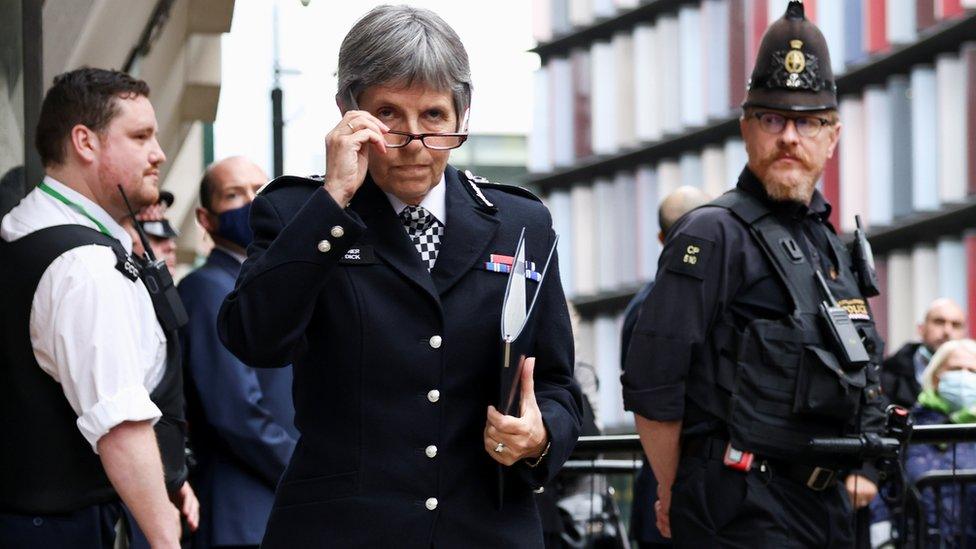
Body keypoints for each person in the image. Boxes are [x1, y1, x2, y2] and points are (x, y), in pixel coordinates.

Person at [217, 5, 582, 547]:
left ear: (463, 113)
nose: (413, 140)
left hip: (485, 528)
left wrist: (539, 433)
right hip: (343, 532)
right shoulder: (298, 212)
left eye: (434, 116)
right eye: (389, 114)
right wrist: (333, 201)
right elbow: (255, 338)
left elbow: (555, 383)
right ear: (347, 111)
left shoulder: (520, 223)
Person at [621, 2, 886, 547]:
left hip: (826, 512)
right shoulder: (711, 234)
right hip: (738, 510)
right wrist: (676, 491)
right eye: (773, 118)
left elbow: (866, 373)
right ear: (747, 129)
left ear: (831, 137)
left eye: (808, 121)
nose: (790, 136)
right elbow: (653, 382)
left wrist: (866, 472)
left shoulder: (830, 245)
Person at [0, 68, 196, 548]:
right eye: (141, 136)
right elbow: (119, 425)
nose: (159, 153)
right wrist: (164, 537)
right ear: (85, 142)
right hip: (63, 528)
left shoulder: (23, 227)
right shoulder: (83, 266)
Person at [178, 156, 297, 548]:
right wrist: (305, 471)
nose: (251, 203)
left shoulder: (267, 285)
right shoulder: (208, 289)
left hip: (273, 510)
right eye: (233, 195)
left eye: (259, 192)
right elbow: (236, 413)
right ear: (206, 218)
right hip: (240, 514)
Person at [620, 186, 710, 549]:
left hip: (659, 481)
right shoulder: (694, 301)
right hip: (680, 487)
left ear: (661, 237)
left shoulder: (643, 303)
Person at [904, 339, 976, 545]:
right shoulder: (911, 426)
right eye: (955, 369)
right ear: (936, 377)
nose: (964, 376)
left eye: (973, 371)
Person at [882, 298, 967, 409]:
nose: (947, 331)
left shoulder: (971, 375)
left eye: (955, 325)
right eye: (939, 322)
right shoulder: (887, 376)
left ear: (964, 333)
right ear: (921, 329)